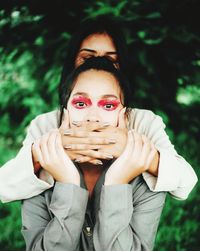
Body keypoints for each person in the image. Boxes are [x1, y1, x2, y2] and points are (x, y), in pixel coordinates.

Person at [0, 16, 197, 203]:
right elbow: (5, 187)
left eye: (111, 60)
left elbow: (185, 184)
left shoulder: (144, 122)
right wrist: (43, 154)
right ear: (71, 64)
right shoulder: (46, 125)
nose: (99, 65)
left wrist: (136, 151)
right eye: (87, 58)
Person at [21, 56, 166, 251]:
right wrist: (67, 180)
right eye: (80, 103)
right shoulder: (39, 176)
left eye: (108, 106)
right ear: (64, 111)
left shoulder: (147, 180)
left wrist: (118, 181)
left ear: (125, 115)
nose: (93, 118)